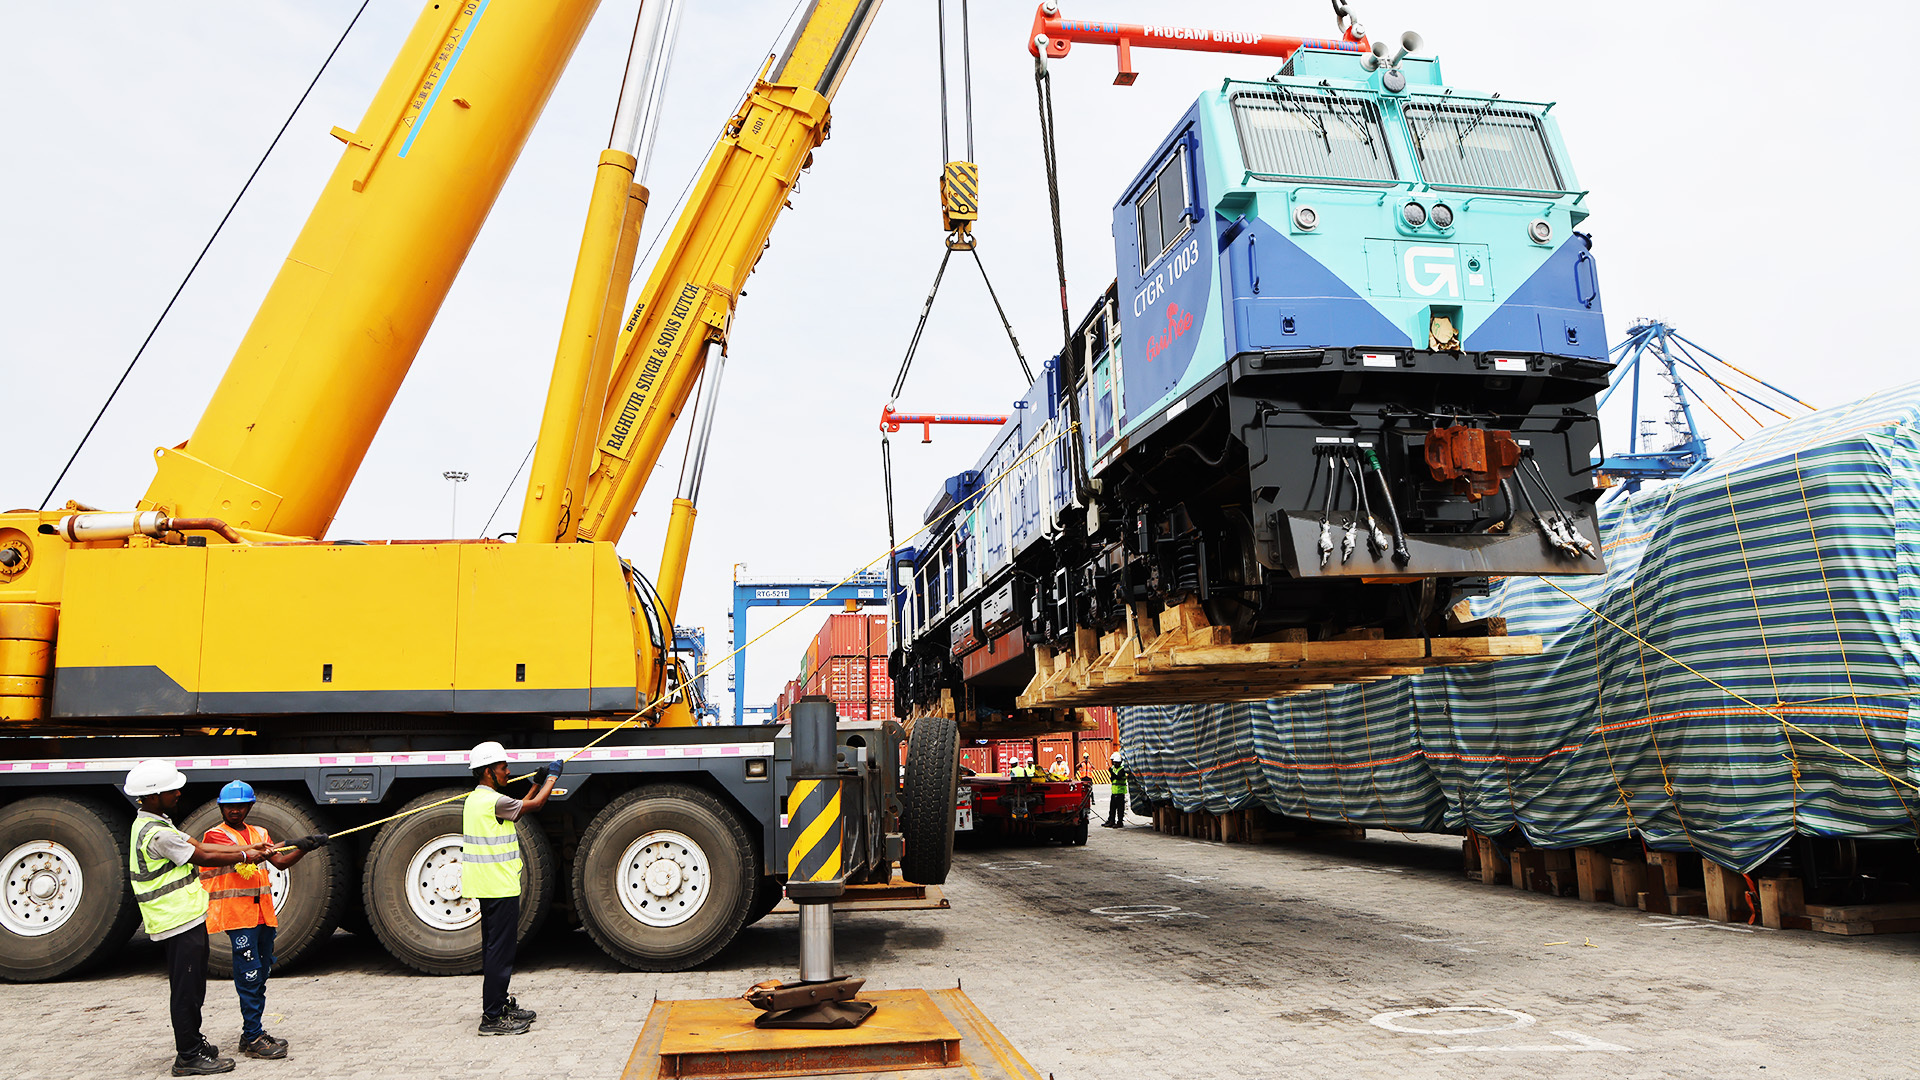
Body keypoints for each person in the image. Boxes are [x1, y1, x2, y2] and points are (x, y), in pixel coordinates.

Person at [123, 759, 274, 1077]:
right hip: (175, 920)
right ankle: (188, 1056)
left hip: (185, 918)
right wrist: (247, 855)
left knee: (193, 988)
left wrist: (250, 847)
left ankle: (194, 1044)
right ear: (152, 796)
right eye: (171, 790)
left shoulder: (159, 822)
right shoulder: (156, 834)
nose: (178, 793)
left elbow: (197, 844)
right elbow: (203, 856)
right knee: (187, 990)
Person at [198, 781, 327, 1061]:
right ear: (221, 807)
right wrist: (293, 841)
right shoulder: (215, 836)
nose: (235, 810)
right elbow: (251, 855)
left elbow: (278, 862)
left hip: (262, 914)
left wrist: (304, 847)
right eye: (230, 806)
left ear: (249, 807)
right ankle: (254, 1036)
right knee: (249, 973)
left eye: (241, 805)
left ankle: (251, 1033)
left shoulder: (259, 832)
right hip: (237, 916)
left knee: (262, 971)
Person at [465, 741, 561, 1036]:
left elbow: (518, 810)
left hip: (489, 886)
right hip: (499, 887)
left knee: (495, 950)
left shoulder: (480, 800)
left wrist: (534, 784)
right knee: (500, 953)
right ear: (487, 771)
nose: (508, 771)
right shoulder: (493, 802)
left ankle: (499, 1005)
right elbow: (536, 806)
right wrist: (553, 778)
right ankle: (492, 1018)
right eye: (502, 767)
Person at [1104, 752, 1131, 828]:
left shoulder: (1122, 770)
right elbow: (1112, 779)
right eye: (1114, 762)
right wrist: (1112, 773)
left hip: (1120, 792)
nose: (1115, 764)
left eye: (1116, 763)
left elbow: (1118, 777)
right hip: (1114, 792)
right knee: (1112, 808)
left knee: (1120, 809)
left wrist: (1111, 772)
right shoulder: (1114, 769)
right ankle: (1111, 821)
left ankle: (1119, 822)